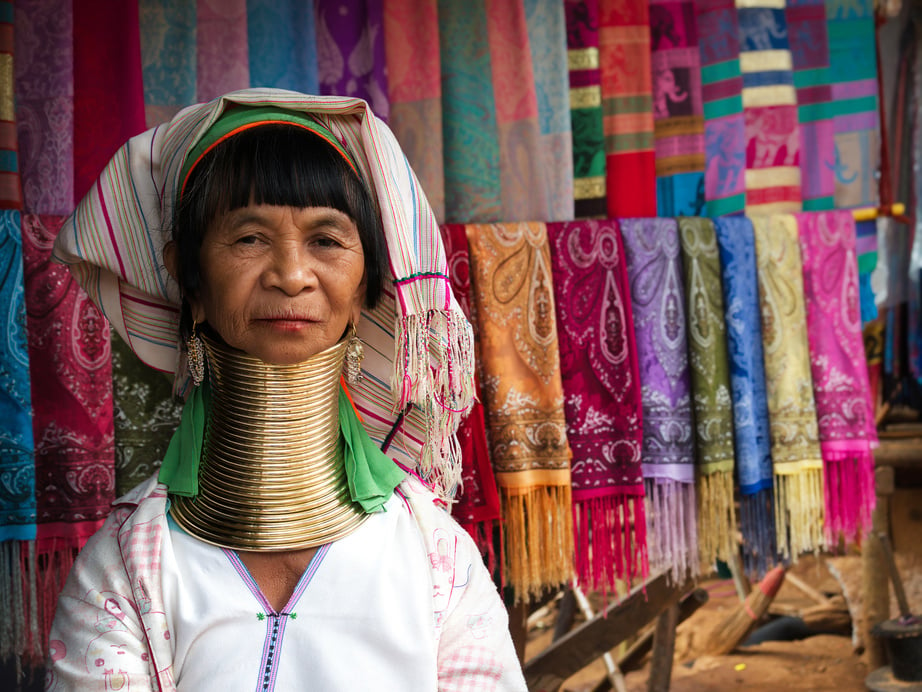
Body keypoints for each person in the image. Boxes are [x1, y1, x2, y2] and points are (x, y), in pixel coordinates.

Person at [46, 89, 526, 691]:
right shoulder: (127, 568)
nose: (292, 274)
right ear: (188, 278)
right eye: (248, 237)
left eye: (326, 239)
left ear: (365, 289)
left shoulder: (435, 560)